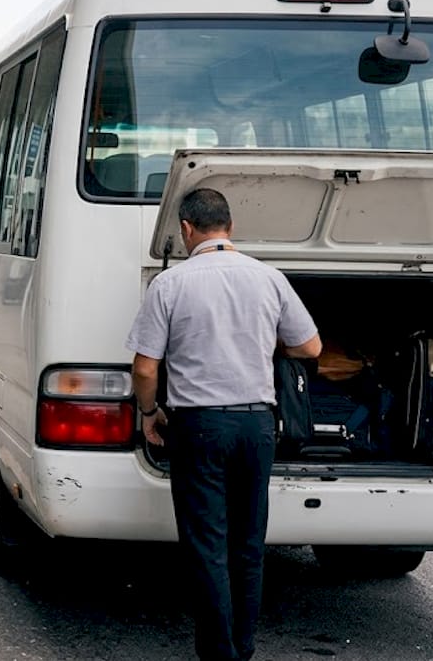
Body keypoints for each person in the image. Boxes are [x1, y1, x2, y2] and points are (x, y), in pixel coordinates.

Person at [126, 188, 322, 661]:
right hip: (256, 426)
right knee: (249, 545)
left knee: (207, 545)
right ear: (230, 228)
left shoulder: (171, 284)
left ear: (187, 230)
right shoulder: (269, 278)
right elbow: (310, 348)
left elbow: (145, 368)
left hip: (200, 427)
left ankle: (219, 654)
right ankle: (244, 648)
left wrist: (150, 414)